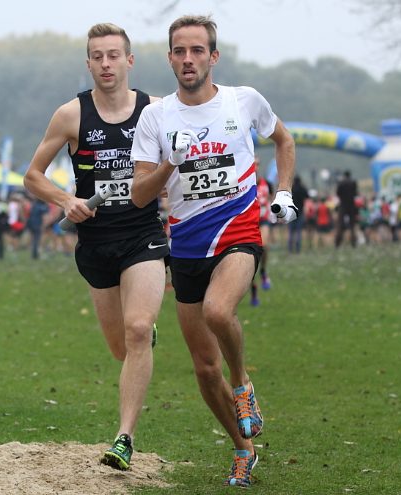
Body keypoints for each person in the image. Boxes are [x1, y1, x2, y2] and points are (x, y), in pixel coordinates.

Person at [130, 15, 296, 488]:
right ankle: (244, 451)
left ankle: (243, 386)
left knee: (219, 311)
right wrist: (170, 165)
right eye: (180, 51)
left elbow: (283, 140)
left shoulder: (243, 101)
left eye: (197, 50)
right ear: (169, 59)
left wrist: (282, 192)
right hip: (186, 243)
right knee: (204, 369)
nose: (188, 59)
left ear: (213, 57)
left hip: (239, 227)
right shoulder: (155, 117)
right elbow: (141, 195)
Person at [24, 22, 168, 471]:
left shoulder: (156, 110)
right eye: (97, 57)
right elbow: (33, 176)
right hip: (95, 242)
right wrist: (67, 199)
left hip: (143, 234)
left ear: (129, 60)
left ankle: (124, 438)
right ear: (88, 63)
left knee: (138, 330)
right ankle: (139, 338)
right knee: (121, 348)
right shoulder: (70, 115)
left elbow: (184, 157)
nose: (106, 64)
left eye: (113, 55)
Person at [250, 157, 273, 306]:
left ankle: (264, 272)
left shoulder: (267, 184)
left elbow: (271, 198)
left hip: (263, 220)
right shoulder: (244, 183)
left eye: (257, 163)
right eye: (253, 163)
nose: (255, 166)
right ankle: (254, 293)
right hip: (249, 222)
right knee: (250, 256)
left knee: (263, 246)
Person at [334, 170, 358, 247]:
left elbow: (338, 193)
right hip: (351, 205)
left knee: (340, 224)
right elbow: (355, 193)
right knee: (352, 225)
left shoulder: (341, 183)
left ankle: (338, 243)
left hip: (343, 205)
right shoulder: (353, 183)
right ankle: (353, 242)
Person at [288, 175, 309, 253]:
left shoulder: (291, 188)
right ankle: (297, 249)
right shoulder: (302, 188)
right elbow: (307, 196)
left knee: (291, 232)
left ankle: (290, 248)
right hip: (300, 211)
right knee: (298, 231)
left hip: (291, 212)